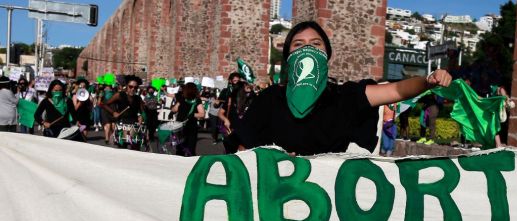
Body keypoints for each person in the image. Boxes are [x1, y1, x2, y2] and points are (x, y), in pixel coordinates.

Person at [236, 20, 451, 155]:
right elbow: (242, 150)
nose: (308, 49)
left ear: (326, 54)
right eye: (299, 44)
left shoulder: (345, 97)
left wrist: (427, 80)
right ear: (289, 57)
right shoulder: (269, 98)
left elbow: (395, 90)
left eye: (316, 44)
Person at [102, 76, 145, 149]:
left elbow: (142, 111)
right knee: (122, 149)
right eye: (130, 87)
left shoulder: (138, 98)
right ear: (127, 86)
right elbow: (105, 105)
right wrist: (113, 112)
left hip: (133, 124)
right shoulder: (119, 95)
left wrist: (141, 116)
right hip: (122, 123)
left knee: (135, 149)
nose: (133, 89)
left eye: (135, 87)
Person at [220, 79, 255, 153]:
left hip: (245, 134)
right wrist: (226, 120)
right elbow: (220, 113)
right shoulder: (231, 101)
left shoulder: (251, 100)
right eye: (245, 89)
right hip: (232, 133)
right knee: (231, 156)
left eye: (248, 89)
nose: (248, 92)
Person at [170, 82, 205, 156]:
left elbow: (174, 109)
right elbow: (202, 114)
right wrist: (193, 115)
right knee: (191, 149)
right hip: (191, 127)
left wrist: (171, 110)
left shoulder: (182, 99)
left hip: (180, 127)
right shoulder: (197, 100)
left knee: (180, 150)